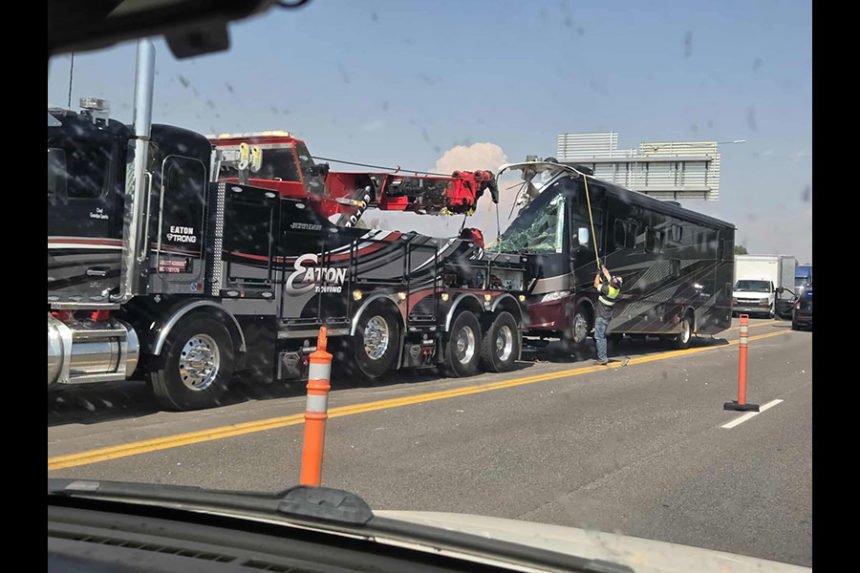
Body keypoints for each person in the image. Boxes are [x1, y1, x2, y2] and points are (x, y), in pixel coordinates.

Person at [593, 265, 623, 365]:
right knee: (602, 336)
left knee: (600, 337)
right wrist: (603, 268)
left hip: (601, 317)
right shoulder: (616, 291)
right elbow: (610, 278)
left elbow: (596, 284)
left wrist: (598, 273)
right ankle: (603, 357)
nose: (612, 279)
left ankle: (603, 358)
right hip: (606, 317)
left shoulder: (607, 290)